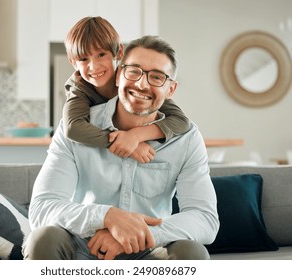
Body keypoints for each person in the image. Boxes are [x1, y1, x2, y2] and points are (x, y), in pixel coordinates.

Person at [23, 35, 219, 260]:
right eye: (134, 71)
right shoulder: (78, 127)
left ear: (171, 90)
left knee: (192, 252)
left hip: (148, 251)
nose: (142, 84)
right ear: (118, 76)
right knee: (43, 238)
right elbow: (42, 209)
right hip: (82, 247)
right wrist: (107, 217)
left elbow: (205, 219)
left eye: (156, 77)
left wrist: (138, 234)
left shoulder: (186, 139)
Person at [62, 16, 190, 163]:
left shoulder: (131, 80)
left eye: (101, 55)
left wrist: (135, 136)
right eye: (84, 59)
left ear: (119, 52)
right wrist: (126, 144)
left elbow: (181, 121)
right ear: (73, 63)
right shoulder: (79, 88)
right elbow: (73, 128)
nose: (94, 66)